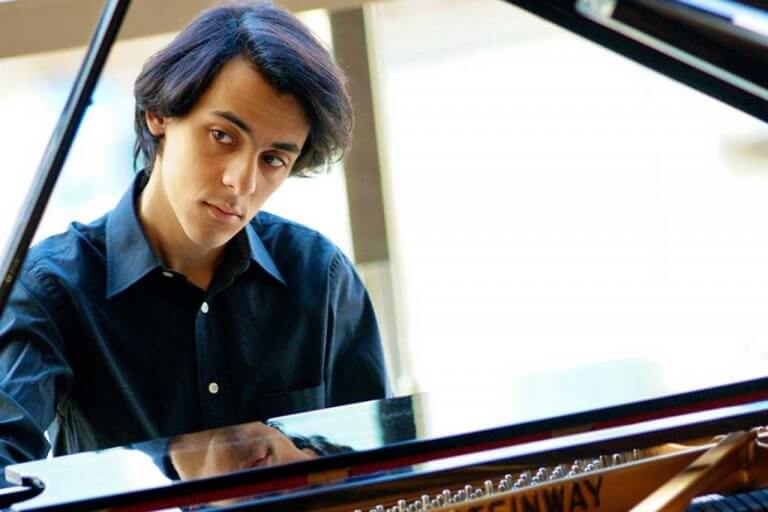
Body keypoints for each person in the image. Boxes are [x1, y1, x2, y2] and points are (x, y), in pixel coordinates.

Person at [0, 1, 389, 472]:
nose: (241, 182)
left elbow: (381, 470)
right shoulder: (52, 289)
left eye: (273, 160)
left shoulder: (322, 277)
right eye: (223, 136)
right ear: (159, 114)